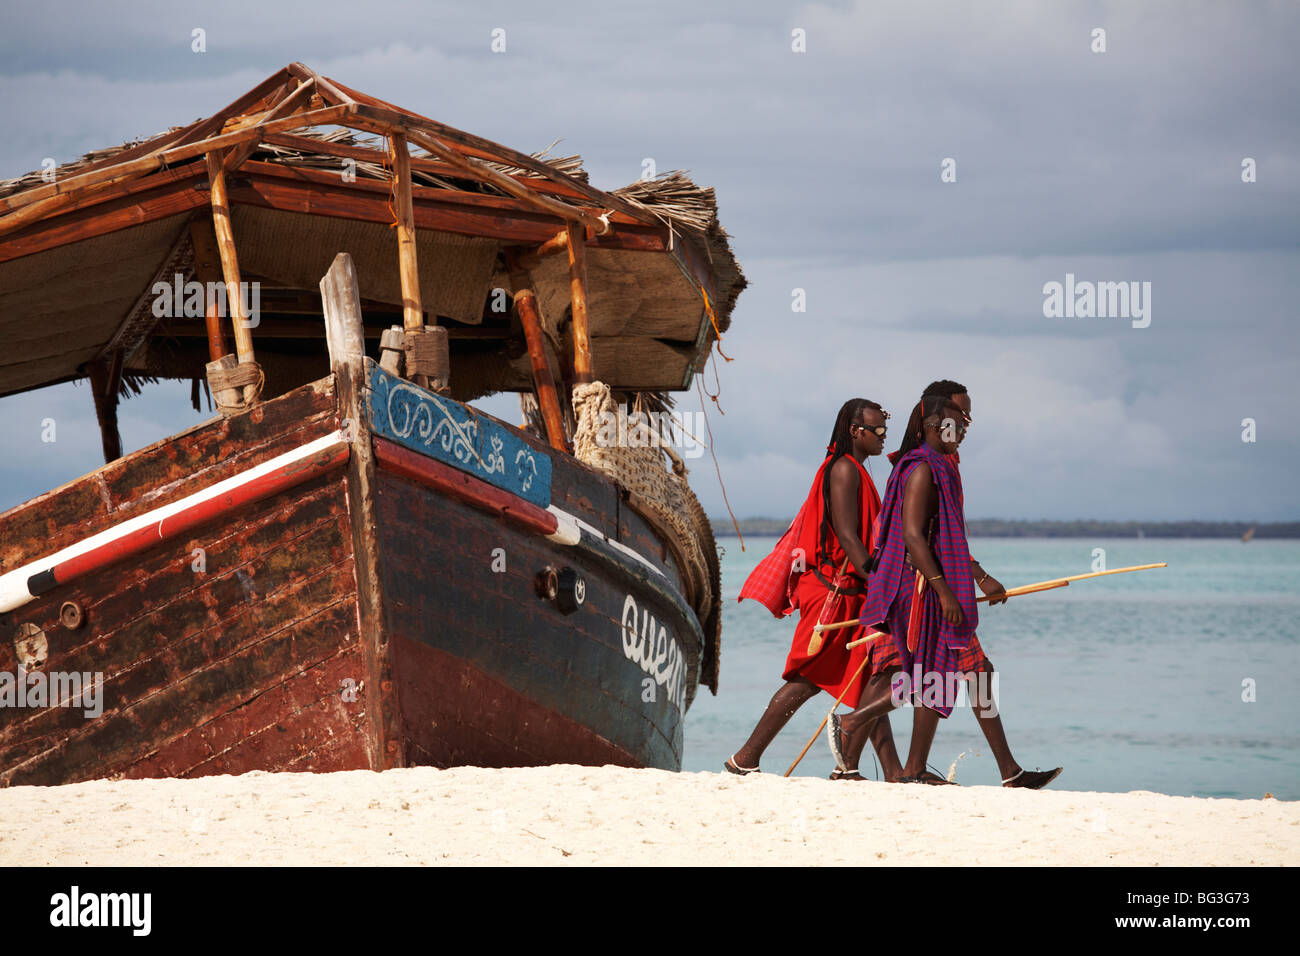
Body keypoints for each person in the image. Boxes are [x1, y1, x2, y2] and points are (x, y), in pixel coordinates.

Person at [839, 390, 1060, 788]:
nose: (960, 431)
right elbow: (912, 536)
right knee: (929, 675)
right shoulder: (923, 468)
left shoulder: (939, 466)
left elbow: (946, 537)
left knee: (962, 673)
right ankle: (861, 732)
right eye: (954, 424)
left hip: (929, 583)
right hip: (920, 589)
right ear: (930, 427)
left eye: (964, 425)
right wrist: (943, 591)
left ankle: (981, 771)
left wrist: (977, 576)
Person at [727, 399, 903, 780]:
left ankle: (888, 771)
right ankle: (745, 758)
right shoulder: (844, 469)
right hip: (832, 593)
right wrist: (881, 583)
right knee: (807, 678)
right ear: (857, 432)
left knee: (868, 677)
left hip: (848, 590)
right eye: (878, 432)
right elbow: (848, 535)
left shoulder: (855, 469)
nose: (883, 440)